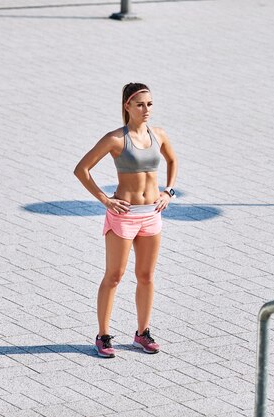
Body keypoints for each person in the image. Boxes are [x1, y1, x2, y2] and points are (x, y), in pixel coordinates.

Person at [74, 82, 178, 358]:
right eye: (140, 104)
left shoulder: (160, 135)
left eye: (150, 104)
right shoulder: (116, 139)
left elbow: (172, 161)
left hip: (151, 215)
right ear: (127, 106)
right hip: (124, 216)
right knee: (114, 276)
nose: (146, 110)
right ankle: (103, 335)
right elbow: (81, 169)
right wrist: (105, 200)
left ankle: (142, 333)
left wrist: (169, 191)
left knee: (145, 276)